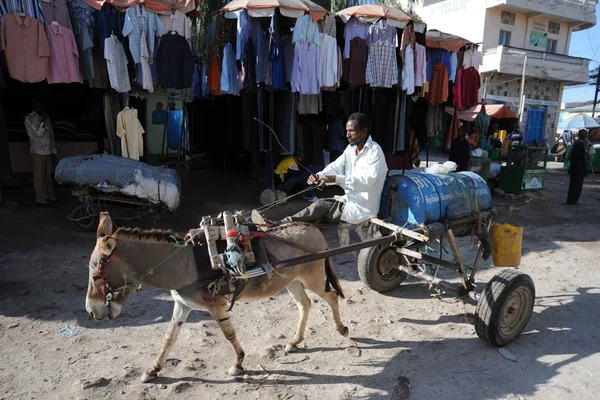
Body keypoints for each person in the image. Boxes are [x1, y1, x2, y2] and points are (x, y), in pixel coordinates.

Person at [254, 113, 388, 226]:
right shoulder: (351, 149)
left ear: (364, 132)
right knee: (318, 211)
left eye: (351, 131)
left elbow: (367, 182)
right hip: (348, 200)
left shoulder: (375, 152)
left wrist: (337, 179)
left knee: (321, 205)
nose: (347, 135)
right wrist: (319, 175)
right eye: (347, 131)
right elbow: (335, 166)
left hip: (363, 208)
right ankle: (284, 224)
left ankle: (280, 224)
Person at [24, 100, 57, 205]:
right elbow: (38, 133)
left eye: (40, 105)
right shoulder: (29, 118)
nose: (38, 107)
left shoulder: (46, 117)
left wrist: (53, 149)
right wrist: (42, 120)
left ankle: (50, 196)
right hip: (38, 151)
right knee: (39, 176)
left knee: (47, 175)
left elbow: (51, 134)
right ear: (33, 106)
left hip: (48, 150)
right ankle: (41, 198)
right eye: (36, 105)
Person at [567, 129, 589, 205]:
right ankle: (571, 201)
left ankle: (574, 200)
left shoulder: (584, 144)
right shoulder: (578, 144)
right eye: (584, 134)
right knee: (574, 185)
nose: (586, 136)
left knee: (578, 186)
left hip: (579, 168)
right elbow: (573, 157)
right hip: (576, 168)